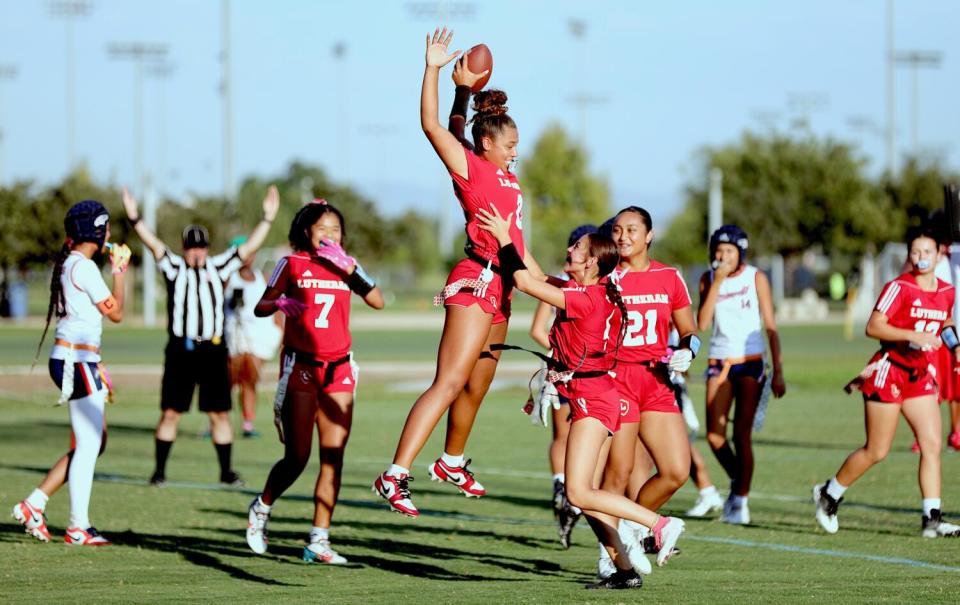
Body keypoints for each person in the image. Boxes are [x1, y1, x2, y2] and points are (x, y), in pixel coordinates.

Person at [373, 28, 543, 517]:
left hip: (504, 284)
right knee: (448, 382)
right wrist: (433, 69)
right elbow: (433, 125)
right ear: (486, 142)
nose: (516, 150)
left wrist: (463, 91)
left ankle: (450, 461)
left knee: (477, 384)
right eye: (510, 144)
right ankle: (396, 474)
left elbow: (520, 246)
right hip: (476, 279)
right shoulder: (471, 167)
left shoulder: (506, 175)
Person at [478, 203, 685, 590]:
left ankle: (659, 524)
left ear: (591, 263)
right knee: (584, 495)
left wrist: (504, 238)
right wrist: (510, 229)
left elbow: (524, 283)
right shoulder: (587, 288)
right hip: (596, 393)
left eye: (579, 248)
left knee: (579, 491)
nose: (571, 249)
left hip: (596, 398)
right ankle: (623, 569)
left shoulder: (586, 298)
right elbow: (536, 274)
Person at [245, 200, 384, 563]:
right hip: (302, 367)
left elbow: (377, 301)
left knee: (333, 457)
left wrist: (352, 268)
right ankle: (261, 507)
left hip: (339, 368)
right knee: (297, 456)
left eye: (335, 228)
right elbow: (261, 306)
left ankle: (318, 541)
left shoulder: (346, 264)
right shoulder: (292, 263)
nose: (329, 234)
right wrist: (280, 303)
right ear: (306, 231)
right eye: (322, 228)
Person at [121, 187, 279, 487]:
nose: (196, 252)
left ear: (207, 248)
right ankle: (159, 471)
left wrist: (267, 219)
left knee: (219, 413)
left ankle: (226, 471)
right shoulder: (174, 266)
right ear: (184, 248)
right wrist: (134, 217)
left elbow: (245, 250)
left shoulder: (219, 266)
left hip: (213, 351)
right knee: (170, 413)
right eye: (191, 247)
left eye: (201, 247)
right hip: (181, 349)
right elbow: (153, 244)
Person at [814, 227, 960, 538]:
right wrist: (912, 335)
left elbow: (945, 322)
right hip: (889, 371)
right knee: (877, 450)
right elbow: (873, 326)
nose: (921, 258)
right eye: (916, 252)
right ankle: (830, 493)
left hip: (919, 375)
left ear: (939, 255)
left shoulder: (947, 290)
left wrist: (955, 345)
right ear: (909, 255)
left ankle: (931, 519)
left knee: (932, 444)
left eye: (927, 252)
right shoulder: (900, 287)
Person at [12, 200, 130, 545]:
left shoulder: (72, 264)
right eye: (105, 227)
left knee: (94, 441)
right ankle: (78, 526)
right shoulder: (86, 268)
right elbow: (117, 313)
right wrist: (119, 270)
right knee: (90, 443)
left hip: (75, 359)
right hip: (76, 361)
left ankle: (35, 503)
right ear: (96, 230)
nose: (109, 233)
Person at [595, 206, 697, 577]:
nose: (623, 237)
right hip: (617, 379)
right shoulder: (605, 276)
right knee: (618, 473)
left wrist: (688, 350)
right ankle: (610, 554)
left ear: (649, 235)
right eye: (618, 230)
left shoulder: (670, 276)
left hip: (656, 380)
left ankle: (632, 529)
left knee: (675, 470)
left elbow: (689, 329)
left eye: (632, 230)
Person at [698, 225, 786, 524]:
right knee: (714, 435)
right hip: (719, 360)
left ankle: (740, 501)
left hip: (751, 362)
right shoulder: (708, 278)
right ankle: (740, 483)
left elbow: (771, 326)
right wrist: (717, 283)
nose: (723, 256)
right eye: (719, 251)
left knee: (741, 435)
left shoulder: (756, 277)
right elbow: (702, 324)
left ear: (740, 254)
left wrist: (779, 371)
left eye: (729, 252)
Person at [528, 224, 597, 548]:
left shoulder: (596, 290)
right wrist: (561, 359)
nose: (571, 252)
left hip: (588, 376)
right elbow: (538, 329)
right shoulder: (559, 283)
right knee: (562, 434)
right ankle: (562, 487)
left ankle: (578, 497)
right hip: (561, 371)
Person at [224, 239, 283, 438]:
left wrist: (279, 332)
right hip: (233, 336)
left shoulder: (263, 279)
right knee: (228, 381)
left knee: (250, 380)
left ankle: (248, 422)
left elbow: (275, 308)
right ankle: (220, 420)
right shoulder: (227, 279)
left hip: (258, 337)